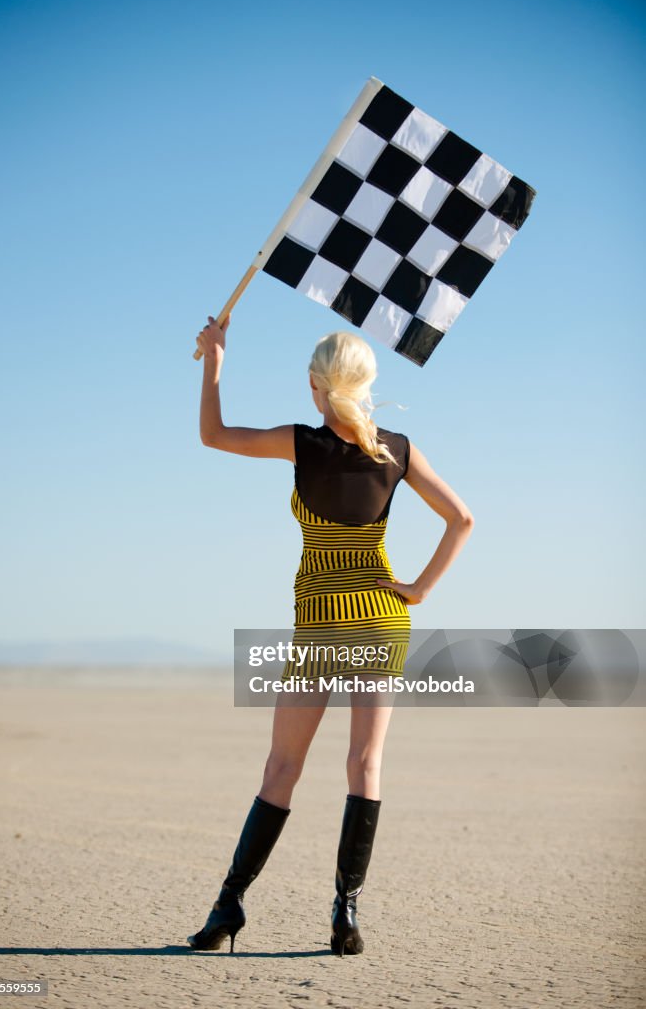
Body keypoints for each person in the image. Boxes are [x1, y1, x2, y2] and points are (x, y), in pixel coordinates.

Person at [187, 314, 474, 957]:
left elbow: (212, 434)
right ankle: (345, 916)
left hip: (320, 625)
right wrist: (421, 590)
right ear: (366, 386)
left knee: (282, 768)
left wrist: (215, 359)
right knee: (364, 765)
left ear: (317, 387)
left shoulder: (302, 444)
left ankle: (228, 907)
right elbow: (462, 518)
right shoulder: (397, 450)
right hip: (379, 621)